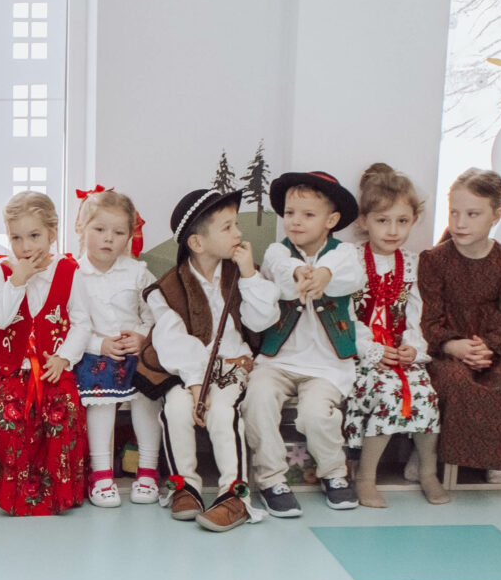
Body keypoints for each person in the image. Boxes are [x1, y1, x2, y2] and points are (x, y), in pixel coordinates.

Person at [136, 186, 271, 531]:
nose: (238, 233)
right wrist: (197, 383)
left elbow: (262, 321)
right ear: (197, 243)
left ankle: (235, 496)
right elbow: (171, 340)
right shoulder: (167, 288)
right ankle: (185, 486)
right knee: (176, 408)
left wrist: (249, 275)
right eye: (227, 227)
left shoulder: (242, 273)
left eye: (236, 224)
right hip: (186, 369)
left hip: (233, 366)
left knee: (222, 412)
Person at [248, 171, 367, 516]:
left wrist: (324, 274)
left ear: (331, 221)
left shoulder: (344, 253)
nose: (295, 221)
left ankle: (334, 474)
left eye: (308, 214)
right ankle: (271, 479)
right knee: (257, 399)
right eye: (289, 213)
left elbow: (348, 274)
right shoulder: (278, 251)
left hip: (327, 364)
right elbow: (281, 269)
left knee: (316, 414)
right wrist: (298, 273)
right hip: (278, 360)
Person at [417, 170, 501, 488]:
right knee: (455, 381)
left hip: (496, 348)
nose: (460, 223)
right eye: (454, 213)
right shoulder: (433, 260)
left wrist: (486, 346)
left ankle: (496, 458)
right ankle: (435, 458)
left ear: (495, 216)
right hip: (448, 347)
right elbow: (430, 320)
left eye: (472, 214)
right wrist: (453, 346)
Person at [0, 191, 87, 515]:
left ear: (52, 234)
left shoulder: (69, 271)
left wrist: (64, 357)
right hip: (14, 368)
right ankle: (14, 491)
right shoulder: (2, 271)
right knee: (11, 417)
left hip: (54, 367)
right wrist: (18, 281)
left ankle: (59, 491)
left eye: (34, 236)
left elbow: (82, 322)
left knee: (62, 413)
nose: (25, 247)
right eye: (16, 238)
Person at [343, 165, 444, 507]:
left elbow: (417, 314)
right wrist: (370, 349)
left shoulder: (413, 264)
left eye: (402, 221)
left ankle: (428, 471)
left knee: (425, 394)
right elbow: (345, 316)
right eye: (383, 220)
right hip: (363, 355)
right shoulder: (351, 260)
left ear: (414, 220)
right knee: (389, 393)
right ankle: (365, 476)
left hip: (399, 352)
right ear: (364, 221)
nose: (393, 230)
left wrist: (413, 348)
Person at [68, 188, 163, 507]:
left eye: (118, 232)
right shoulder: (72, 274)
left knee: (147, 394)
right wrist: (99, 344)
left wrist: (142, 337)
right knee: (101, 401)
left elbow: (155, 315)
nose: (108, 238)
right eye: (99, 229)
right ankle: (101, 475)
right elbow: (69, 325)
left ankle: (148, 471)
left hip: (135, 354)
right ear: (81, 228)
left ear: (129, 236)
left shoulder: (138, 273)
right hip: (96, 355)